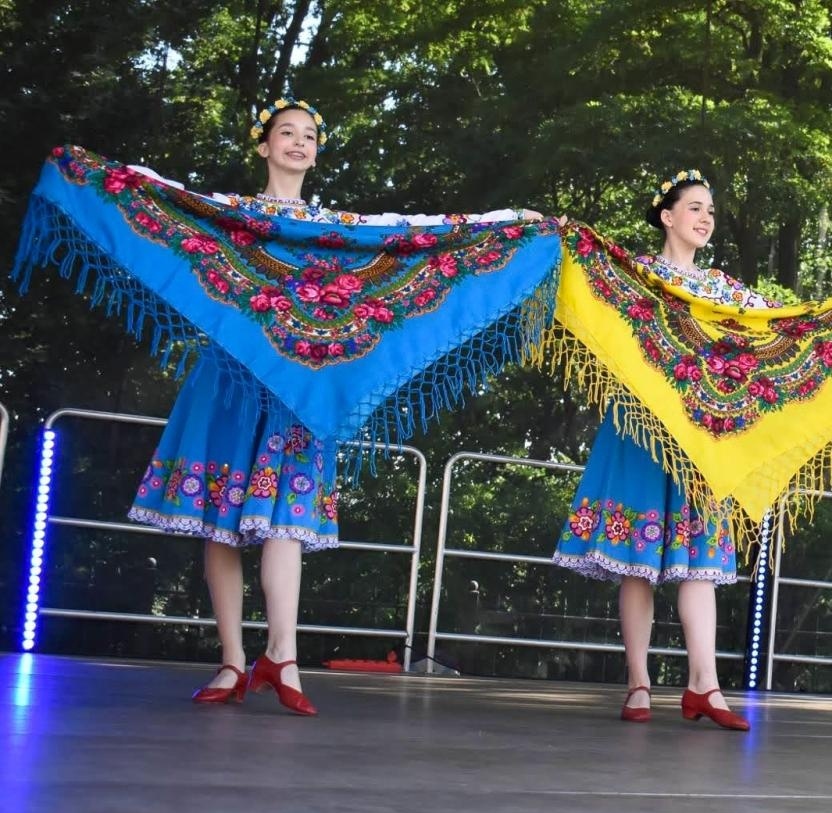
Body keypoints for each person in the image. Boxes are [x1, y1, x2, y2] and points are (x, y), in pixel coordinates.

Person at [129, 98, 538, 715]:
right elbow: (166, 200)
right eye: (285, 134)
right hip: (229, 381)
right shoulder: (228, 216)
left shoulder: (337, 230)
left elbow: (413, 235)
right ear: (263, 146)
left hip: (298, 390)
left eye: (309, 136)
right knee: (219, 523)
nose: (298, 143)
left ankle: (284, 656)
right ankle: (232, 661)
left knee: (284, 520)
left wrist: (508, 222)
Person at [549, 171, 779, 731]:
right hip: (638, 428)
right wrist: (547, 232)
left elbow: (782, 326)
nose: (705, 218)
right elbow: (578, 276)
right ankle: (639, 682)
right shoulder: (633, 275)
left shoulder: (726, 292)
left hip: (701, 437)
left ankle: (706, 684)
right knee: (636, 562)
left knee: (700, 562)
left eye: (711, 211)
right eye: (694, 207)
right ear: (667, 216)